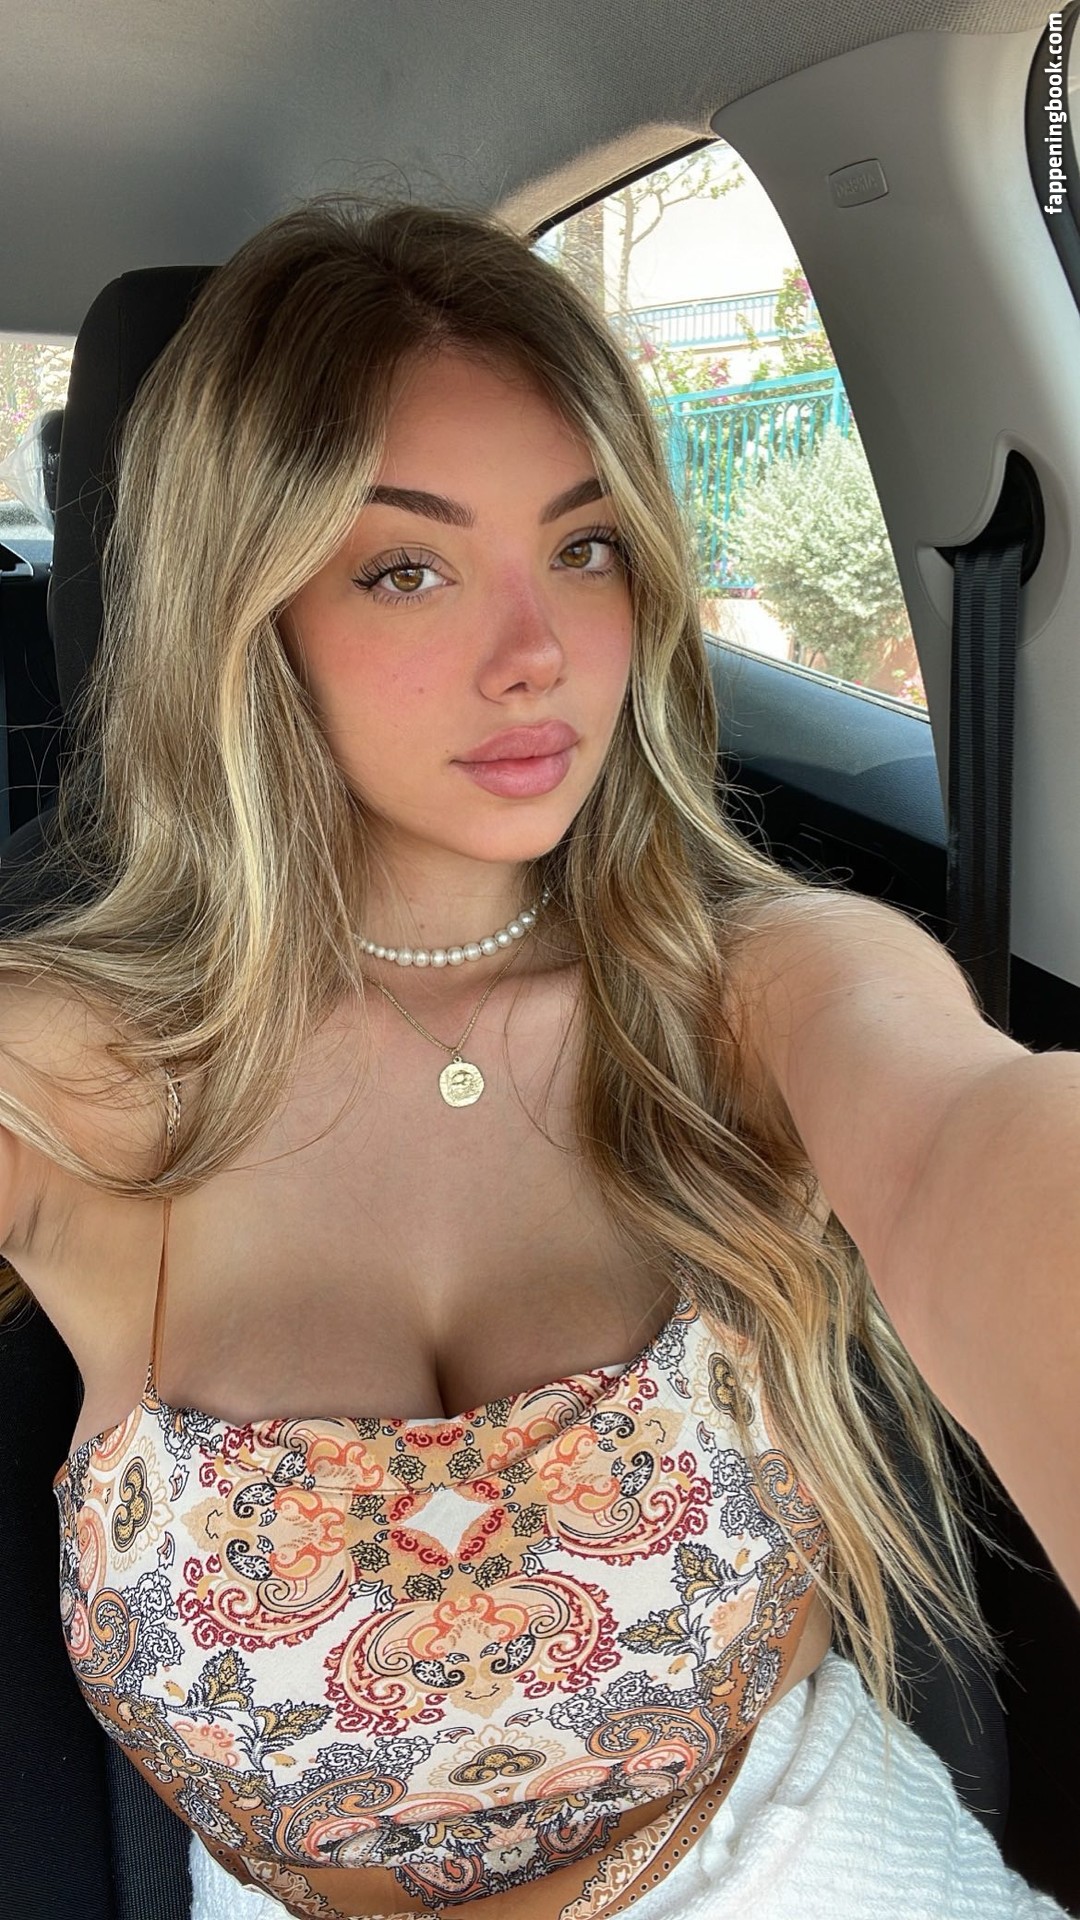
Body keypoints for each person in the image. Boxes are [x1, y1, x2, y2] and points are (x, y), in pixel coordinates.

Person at [0, 199, 1066, 1920]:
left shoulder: (755, 990)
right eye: (406, 569)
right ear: (250, 613)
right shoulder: (85, 1071)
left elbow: (977, 1145)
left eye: (585, 548)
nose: (541, 656)